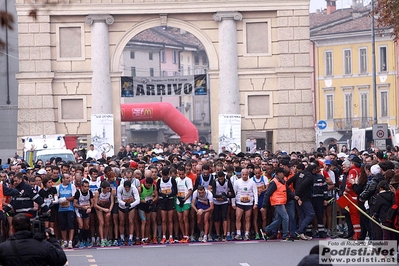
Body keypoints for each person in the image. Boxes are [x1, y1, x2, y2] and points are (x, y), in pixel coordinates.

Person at [0, 213, 67, 266]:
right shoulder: (44, 245)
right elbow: (60, 260)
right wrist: (52, 239)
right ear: (30, 226)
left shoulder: (3, 248)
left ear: (12, 229)